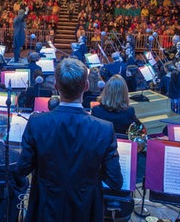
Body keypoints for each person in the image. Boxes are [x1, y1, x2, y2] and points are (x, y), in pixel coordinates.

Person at [17, 58, 123, 221]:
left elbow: (22, 169)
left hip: (46, 210)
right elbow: (115, 181)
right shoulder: (104, 129)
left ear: (56, 86)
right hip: (86, 211)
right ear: (86, 86)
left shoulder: (37, 123)